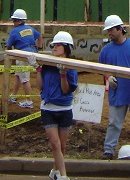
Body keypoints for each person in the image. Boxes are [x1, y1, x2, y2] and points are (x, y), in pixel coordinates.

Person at [98, 14, 130, 160]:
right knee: (114, 123)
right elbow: (102, 69)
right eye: (108, 30)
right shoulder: (106, 50)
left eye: (111, 30)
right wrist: (108, 77)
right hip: (117, 93)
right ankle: (109, 150)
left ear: (120, 29)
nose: (109, 33)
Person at [35, 30, 78, 180]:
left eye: (58, 45)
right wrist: (38, 70)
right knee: (55, 144)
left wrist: (63, 73)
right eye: (54, 45)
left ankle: (54, 171)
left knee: (62, 146)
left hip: (64, 109)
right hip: (48, 108)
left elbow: (66, 90)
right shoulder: (47, 65)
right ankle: (64, 176)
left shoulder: (71, 67)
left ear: (66, 48)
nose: (54, 47)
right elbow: (40, 86)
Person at [5, 8, 43, 108]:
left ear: (19, 21)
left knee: (25, 79)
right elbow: (40, 36)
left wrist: (10, 55)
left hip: (23, 56)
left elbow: (9, 46)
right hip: (33, 54)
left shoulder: (14, 31)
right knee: (18, 76)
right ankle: (13, 96)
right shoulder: (30, 29)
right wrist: (40, 48)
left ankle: (29, 101)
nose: (13, 22)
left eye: (14, 20)